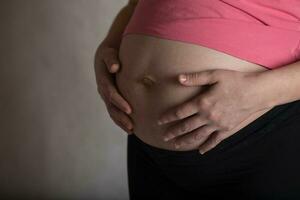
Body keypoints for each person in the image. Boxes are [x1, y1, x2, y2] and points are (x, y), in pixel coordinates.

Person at [94, 0, 300, 199]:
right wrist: (110, 44)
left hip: (258, 140)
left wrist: (256, 93)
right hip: (148, 150)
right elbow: (134, 4)